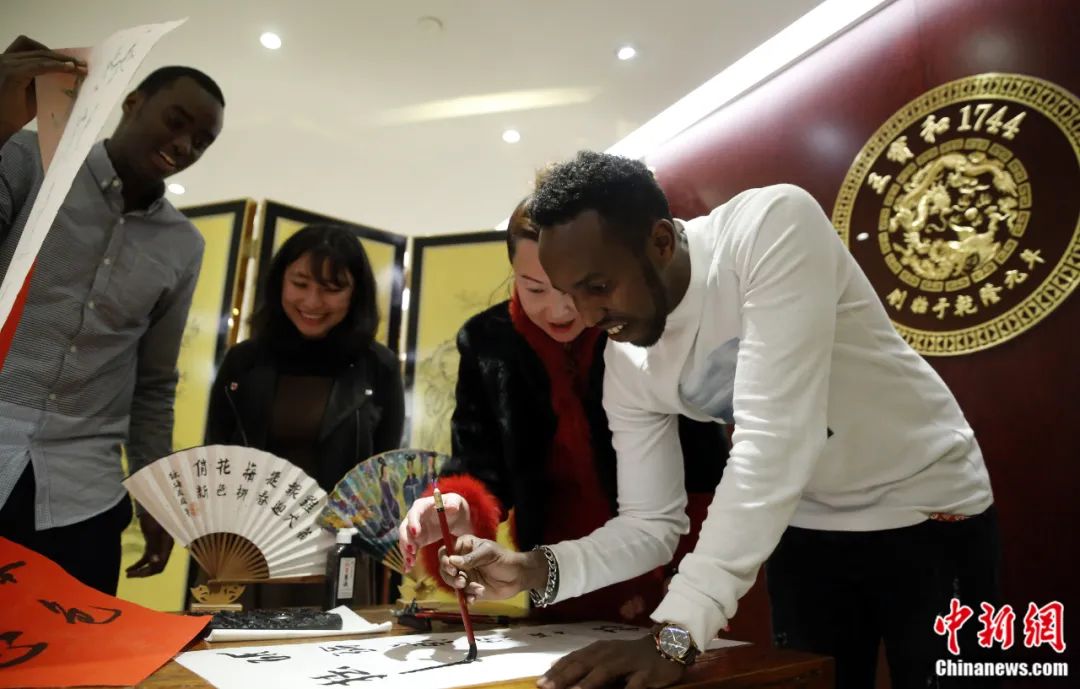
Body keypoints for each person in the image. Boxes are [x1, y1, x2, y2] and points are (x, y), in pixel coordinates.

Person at [436, 152, 998, 689]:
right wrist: (533, 568)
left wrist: (675, 636)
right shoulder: (626, 358)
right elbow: (651, 524)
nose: (584, 315)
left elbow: (775, 439)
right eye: (566, 293)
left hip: (925, 505)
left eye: (598, 287)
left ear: (660, 242)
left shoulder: (771, 227)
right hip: (804, 522)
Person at [399, 198, 728, 625]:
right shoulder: (488, 343)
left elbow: (703, 464)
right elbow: (481, 466)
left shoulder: (636, 328)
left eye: (575, 287)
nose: (558, 309)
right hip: (551, 572)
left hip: (675, 564)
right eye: (534, 289)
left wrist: (692, 573)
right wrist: (459, 509)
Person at [0, 35, 225, 595]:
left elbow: (153, 384)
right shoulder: (31, 160)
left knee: (78, 647)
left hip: (85, 495)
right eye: (176, 121)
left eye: (202, 141)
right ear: (132, 102)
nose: (184, 144)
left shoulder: (183, 245)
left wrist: (157, 495)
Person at [204, 224, 404, 606]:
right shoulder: (243, 362)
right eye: (300, 283)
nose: (312, 301)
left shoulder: (379, 368)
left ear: (356, 294)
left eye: (332, 289)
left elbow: (382, 477)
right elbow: (216, 460)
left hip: (337, 552)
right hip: (245, 549)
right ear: (279, 281)